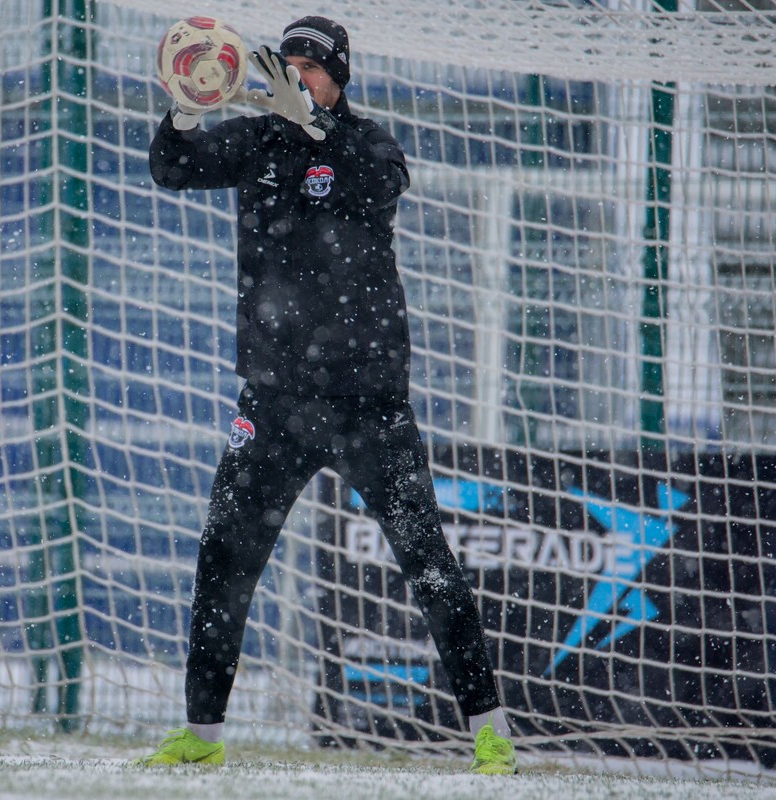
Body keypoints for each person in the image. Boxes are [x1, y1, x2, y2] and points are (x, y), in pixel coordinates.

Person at [134, 16, 518, 775]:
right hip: (274, 402)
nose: (299, 73)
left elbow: (379, 185)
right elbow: (171, 169)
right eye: (291, 62)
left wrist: (316, 128)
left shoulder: (367, 144)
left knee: (426, 559)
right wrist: (182, 109)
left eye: (313, 66)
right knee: (223, 558)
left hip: (365, 401)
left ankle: (491, 731)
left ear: (339, 77)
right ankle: (202, 738)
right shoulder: (256, 140)